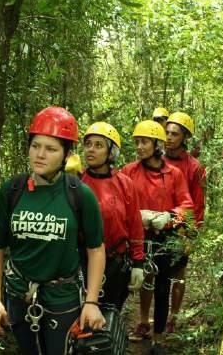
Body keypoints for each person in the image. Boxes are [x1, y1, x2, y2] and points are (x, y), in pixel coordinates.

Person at [0, 106, 106, 355]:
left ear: (66, 154)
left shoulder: (79, 194)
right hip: (19, 295)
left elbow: (96, 249)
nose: (40, 154)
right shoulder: (11, 191)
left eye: (51, 149)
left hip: (63, 297)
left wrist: (92, 301)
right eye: (35, 146)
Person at [122, 120, 193, 354]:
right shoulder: (129, 171)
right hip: (136, 238)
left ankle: (159, 337)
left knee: (162, 285)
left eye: (144, 142)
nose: (140, 147)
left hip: (164, 237)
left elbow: (186, 205)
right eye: (137, 142)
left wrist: (170, 217)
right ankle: (138, 322)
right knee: (139, 281)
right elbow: (118, 199)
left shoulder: (173, 174)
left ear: (157, 144)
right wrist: (135, 215)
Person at [81, 122, 145, 311]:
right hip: (81, 263)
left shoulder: (125, 184)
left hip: (115, 263)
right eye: (88, 144)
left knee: (109, 314)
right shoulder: (75, 182)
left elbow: (135, 225)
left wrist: (138, 263)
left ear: (111, 153)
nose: (91, 150)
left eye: (99, 145)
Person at [164, 111, 206, 333]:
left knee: (178, 276)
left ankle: (174, 316)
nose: (169, 137)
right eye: (167, 132)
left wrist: (190, 234)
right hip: (157, 223)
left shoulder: (194, 167)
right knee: (151, 274)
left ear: (185, 137)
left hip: (181, 227)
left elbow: (197, 204)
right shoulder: (156, 160)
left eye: (175, 134)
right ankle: (145, 320)